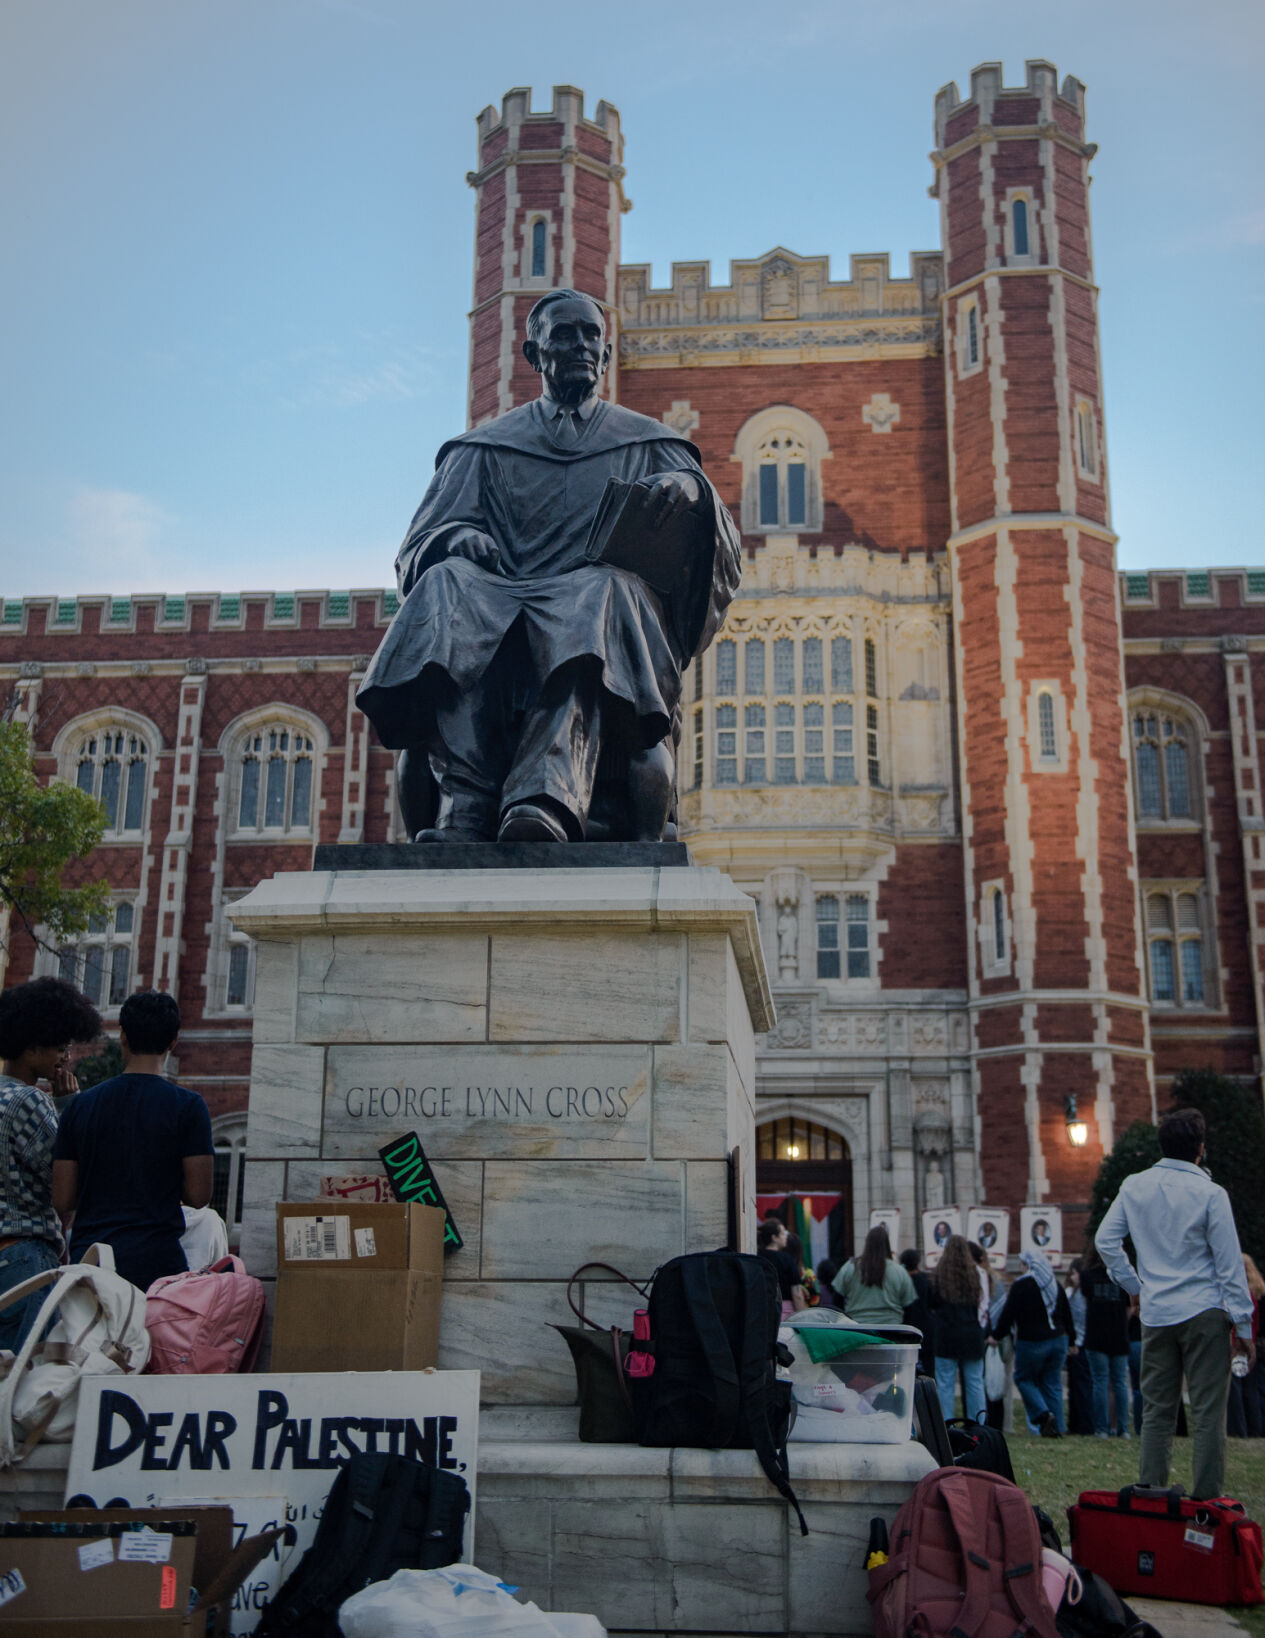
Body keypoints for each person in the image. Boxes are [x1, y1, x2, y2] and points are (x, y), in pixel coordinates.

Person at [355, 287, 742, 844]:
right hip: (501, 597)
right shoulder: (484, 449)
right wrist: (456, 537)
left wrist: (691, 493)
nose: (581, 345)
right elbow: (418, 545)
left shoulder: (651, 442)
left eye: (592, 336)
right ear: (532, 353)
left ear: (607, 357)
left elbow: (720, 552)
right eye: (564, 334)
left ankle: (544, 798)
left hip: (599, 600)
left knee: (595, 597)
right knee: (444, 585)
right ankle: (465, 807)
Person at [1096, 1106, 1254, 1499]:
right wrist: (1244, 1325)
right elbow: (1229, 1264)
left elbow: (1105, 1241)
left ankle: (1151, 1495)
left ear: (1162, 1144)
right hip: (1205, 1311)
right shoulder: (1212, 1194)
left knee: (1156, 1412)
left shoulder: (1134, 1185)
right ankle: (1207, 1503)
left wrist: (1134, 1285)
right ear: (1201, 1149)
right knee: (1207, 1416)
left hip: (1156, 1311)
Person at [52, 990, 215, 1291]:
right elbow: (199, 1195)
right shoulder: (189, 1107)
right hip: (156, 1265)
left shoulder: (79, 1106)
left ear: (123, 1035)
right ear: (173, 1041)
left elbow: (62, 1198)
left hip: (91, 1263)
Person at [0, 978, 101, 1348]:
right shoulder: (30, 1101)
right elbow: (66, 1181)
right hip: (21, 1258)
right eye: (60, 1047)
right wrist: (68, 1108)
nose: (66, 1057)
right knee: (27, 1379)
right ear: (31, 1047)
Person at [992, 1248, 1076, 1436]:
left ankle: (1043, 1414)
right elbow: (1067, 1313)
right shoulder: (1053, 1284)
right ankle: (1058, 1428)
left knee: (1023, 1379)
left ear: (1027, 1265)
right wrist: (1072, 1339)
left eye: (1022, 1264)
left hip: (1033, 1342)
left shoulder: (1021, 1285)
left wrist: (996, 1335)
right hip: (1059, 1340)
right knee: (1052, 1383)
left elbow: (1008, 1315)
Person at [929, 1234, 986, 1423]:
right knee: (975, 1382)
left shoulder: (938, 1274)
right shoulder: (978, 1274)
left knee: (945, 1384)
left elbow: (933, 1303)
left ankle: (947, 1426)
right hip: (971, 1332)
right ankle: (978, 1424)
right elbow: (983, 1305)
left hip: (947, 1333)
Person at [1081, 1233, 1132, 1439]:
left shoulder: (1087, 1276)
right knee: (1120, 1382)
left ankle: (1101, 1429)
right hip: (1119, 1334)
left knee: (1100, 1381)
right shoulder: (1123, 1275)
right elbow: (1130, 1307)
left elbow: (1086, 1302)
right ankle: (1123, 1428)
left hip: (1096, 1334)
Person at [832, 1225, 917, 1326]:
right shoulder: (899, 1271)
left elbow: (837, 1300)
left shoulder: (850, 1267)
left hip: (857, 1328)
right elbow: (910, 1307)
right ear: (887, 1245)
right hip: (891, 1330)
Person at [1226, 1253, 1263, 1439]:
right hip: (1254, 1344)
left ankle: (1238, 1430)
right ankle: (1255, 1430)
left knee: (1235, 1390)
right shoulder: (1258, 1293)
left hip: (1239, 1343)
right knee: (1251, 1390)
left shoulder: (1242, 1295)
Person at [1064, 1259, 1094, 1434]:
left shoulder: (1075, 1295)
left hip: (1079, 1344)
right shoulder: (1077, 1294)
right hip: (1080, 1344)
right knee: (1076, 1388)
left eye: (1074, 1273)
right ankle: (1076, 1424)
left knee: (1081, 1388)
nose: (1072, 1277)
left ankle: (1083, 1425)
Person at [757, 1216, 805, 1318]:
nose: (785, 1236)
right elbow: (797, 1295)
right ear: (774, 1237)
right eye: (783, 1233)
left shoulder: (757, 1258)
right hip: (785, 1313)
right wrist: (802, 1318)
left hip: (761, 1311)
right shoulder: (786, 1260)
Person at [899, 1247, 936, 1376]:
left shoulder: (902, 1281)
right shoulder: (925, 1280)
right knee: (929, 1367)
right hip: (927, 1326)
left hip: (908, 1326)